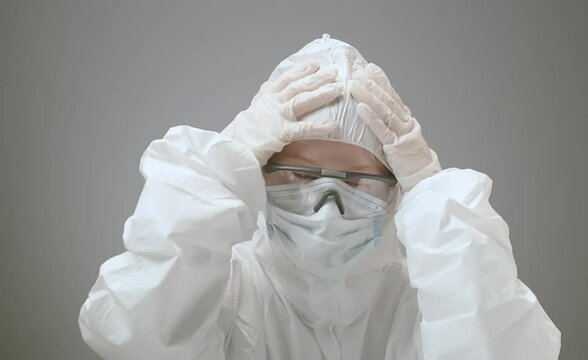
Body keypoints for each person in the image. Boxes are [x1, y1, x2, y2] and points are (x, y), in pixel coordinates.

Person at [78, 34, 561, 359]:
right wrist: (223, 162)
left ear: (397, 192)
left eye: (355, 181)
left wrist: (433, 189)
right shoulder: (227, 286)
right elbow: (134, 335)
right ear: (259, 175)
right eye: (299, 174)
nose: (326, 205)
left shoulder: (429, 295)